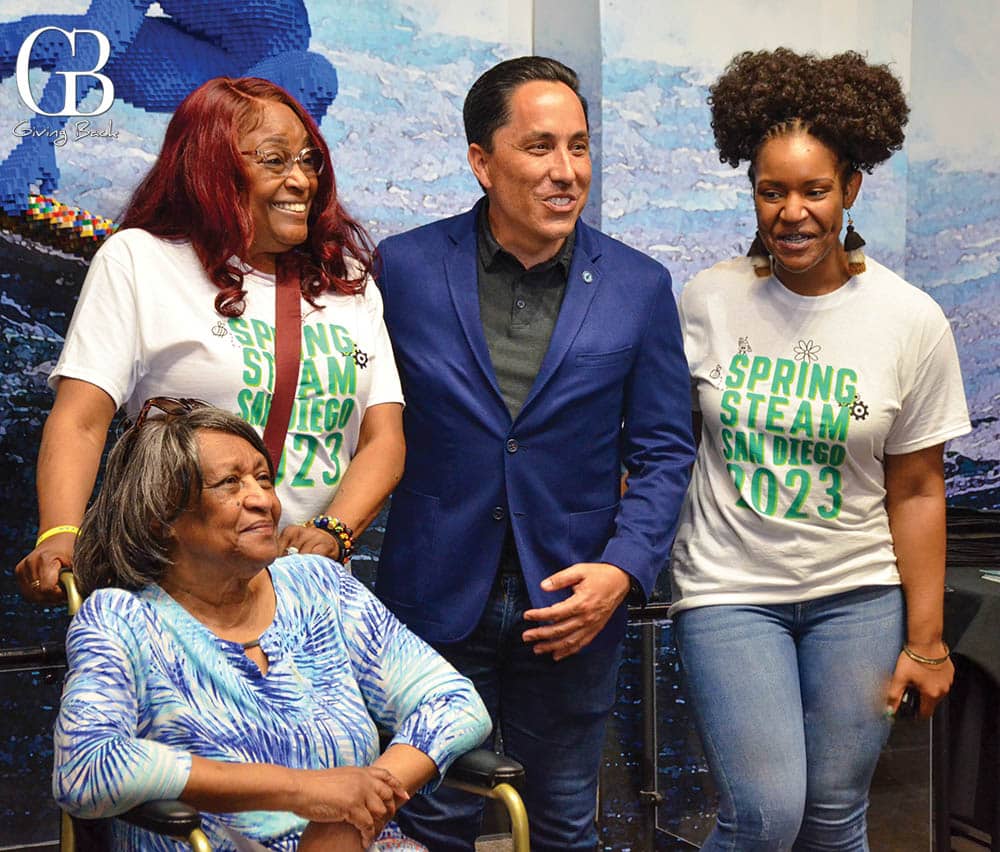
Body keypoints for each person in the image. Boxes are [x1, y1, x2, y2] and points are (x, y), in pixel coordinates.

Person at [373, 56, 695, 851]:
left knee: (560, 823)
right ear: (482, 161)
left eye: (580, 147)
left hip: (573, 604)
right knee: (429, 824)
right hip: (431, 599)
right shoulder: (403, 269)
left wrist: (621, 572)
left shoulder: (639, 285)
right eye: (540, 147)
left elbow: (663, 450)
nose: (566, 172)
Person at [669, 48, 972, 850]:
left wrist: (928, 641)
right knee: (766, 815)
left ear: (851, 190)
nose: (792, 212)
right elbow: (665, 449)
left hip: (859, 597)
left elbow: (916, 490)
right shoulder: (708, 299)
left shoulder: (909, 320)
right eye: (773, 191)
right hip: (730, 593)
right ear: (752, 192)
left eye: (814, 190)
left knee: (836, 820)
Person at [15, 77, 404, 604]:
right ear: (211, 167)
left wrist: (333, 533)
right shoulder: (139, 260)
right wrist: (60, 532)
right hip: (171, 587)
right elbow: (82, 420)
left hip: (311, 594)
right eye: (274, 160)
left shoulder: (347, 280)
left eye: (309, 160)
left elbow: (383, 438)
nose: (302, 180)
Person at [53, 400, 490, 852]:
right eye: (231, 484)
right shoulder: (122, 620)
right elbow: (85, 766)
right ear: (161, 517)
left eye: (264, 478)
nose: (263, 499)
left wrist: (354, 813)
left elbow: (453, 701)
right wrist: (304, 790)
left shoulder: (317, 586)